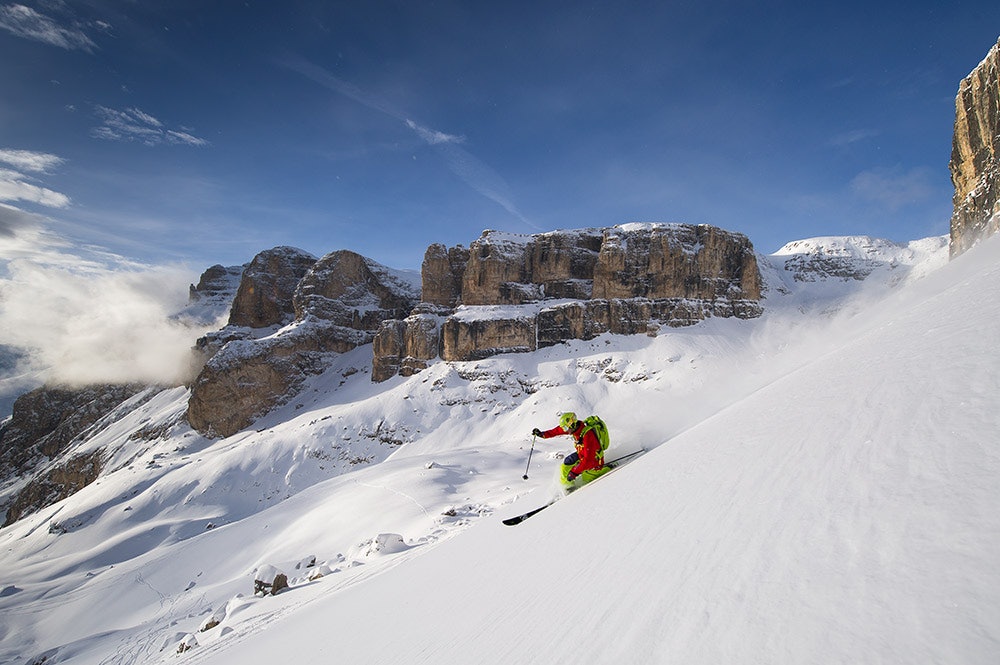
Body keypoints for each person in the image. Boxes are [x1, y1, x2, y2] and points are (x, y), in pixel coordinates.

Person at [531, 412, 610, 489]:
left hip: (594, 460)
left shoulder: (587, 435)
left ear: (572, 424)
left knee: (587, 477)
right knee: (566, 465)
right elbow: (556, 431)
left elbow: (588, 460)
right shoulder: (574, 429)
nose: (565, 430)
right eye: (564, 428)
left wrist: (574, 472)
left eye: (565, 428)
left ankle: (606, 469)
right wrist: (542, 434)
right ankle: (568, 488)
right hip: (582, 455)